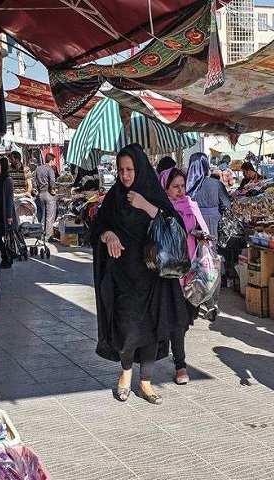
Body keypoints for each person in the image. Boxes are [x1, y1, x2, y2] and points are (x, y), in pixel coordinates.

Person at [93, 144, 189, 405]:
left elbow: (174, 224)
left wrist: (146, 205)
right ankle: (126, 373)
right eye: (121, 170)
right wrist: (108, 234)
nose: (125, 175)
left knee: (150, 329)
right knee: (125, 327)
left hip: (152, 275)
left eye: (130, 169)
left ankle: (145, 383)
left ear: (140, 169)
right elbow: (99, 225)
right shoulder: (114, 197)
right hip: (123, 275)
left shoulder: (152, 194)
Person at [159, 166, 210, 385]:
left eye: (182, 186)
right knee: (178, 321)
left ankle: (175, 346)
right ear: (165, 187)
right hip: (171, 273)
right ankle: (181, 365)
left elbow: (197, 227)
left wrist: (200, 234)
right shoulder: (160, 209)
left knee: (189, 316)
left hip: (192, 270)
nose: (180, 191)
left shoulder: (191, 205)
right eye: (175, 187)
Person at [186, 152, 231, 241]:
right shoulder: (216, 183)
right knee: (209, 251)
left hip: (190, 222)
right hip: (212, 222)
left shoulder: (184, 185)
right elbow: (226, 205)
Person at [0, 156, 15, 269]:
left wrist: (9, 216)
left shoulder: (7, 180)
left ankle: (7, 258)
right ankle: (6, 257)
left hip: (5, 214)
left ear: (3, 167)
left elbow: (9, 199)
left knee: (6, 237)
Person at [35, 153, 58, 242]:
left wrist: (37, 189)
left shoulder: (38, 169)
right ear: (51, 160)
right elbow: (52, 181)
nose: (55, 163)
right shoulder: (50, 169)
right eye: (54, 161)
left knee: (44, 215)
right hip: (48, 194)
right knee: (50, 216)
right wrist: (52, 189)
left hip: (41, 193)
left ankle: (42, 234)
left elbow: (34, 180)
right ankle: (48, 236)